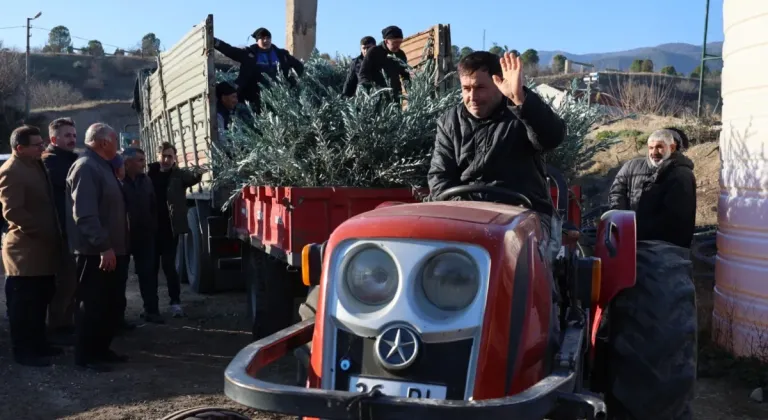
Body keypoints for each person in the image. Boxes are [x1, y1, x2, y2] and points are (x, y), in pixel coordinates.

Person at [427, 51, 566, 255]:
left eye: (480, 88)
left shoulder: (521, 114)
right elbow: (439, 179)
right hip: (465, 215)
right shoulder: (450, 122)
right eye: (466, 89)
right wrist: (469, 212)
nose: (472, 97)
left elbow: (552, 137)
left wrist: (521, 100)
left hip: (523, 214)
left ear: (498, 84)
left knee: (517, 255)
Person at [66, 122, 130, 372]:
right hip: (95, 253)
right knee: (92, 304)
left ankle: (102, 350)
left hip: (112, 250)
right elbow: (84, 214)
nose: (118, 146)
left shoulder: (102, 166)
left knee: (109, 304)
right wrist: (103, 246)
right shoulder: (86, 167)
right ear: (104, 142)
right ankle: (87, 356)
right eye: (115, 140)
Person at [0, 125, 63, 366]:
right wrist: (43, 231)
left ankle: (39, 344)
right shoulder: (11, 171)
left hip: (42, 250)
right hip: (25, 253)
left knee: (40, 301)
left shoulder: (35, 165)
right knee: (23, 306)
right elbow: (13, 211)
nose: (42, 147)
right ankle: (24, 352)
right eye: (37, 145)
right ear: (19, 148)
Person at [608, 128, 697, 248]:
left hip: (665, 248)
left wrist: (641, 232)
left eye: (659, 147)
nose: (654, 152)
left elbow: (676, 217)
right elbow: (617, 193)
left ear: (672, 148)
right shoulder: (631, 167)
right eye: (651, 147)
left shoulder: (682, 174)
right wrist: (623, 221)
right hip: (630, 239)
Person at [147, 142, 203, 318]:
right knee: (150, 269)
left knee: (169, 268)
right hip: (150, 231)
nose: (166, 159)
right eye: (163, 155)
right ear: (157, 156)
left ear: (174, 159)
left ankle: (175, 303)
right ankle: (151, 307)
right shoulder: (148, 174)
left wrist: (199, 171)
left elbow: (193, 177)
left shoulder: (178, 176)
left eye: (170, 156)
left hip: (169, 230)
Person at [41, 117, 80, 344]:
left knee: (72, 282)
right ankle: (58, 327)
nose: (72, 139)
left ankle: (67, 323)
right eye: (67, 135)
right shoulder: (51, 164)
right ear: (53, 139)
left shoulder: (69, 160)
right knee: (63, 284)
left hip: (71, 231)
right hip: (60, 232)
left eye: (74, 135)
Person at [213, 27, 305, 114]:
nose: (266, 41)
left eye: (268, 38)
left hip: (278, 97)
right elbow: (230, 50)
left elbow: (299, 67)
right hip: (254, 97)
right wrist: (215, 42)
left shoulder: (281, 54)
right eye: (262, 38)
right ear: (257, 41)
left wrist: (291, 82)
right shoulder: (249, 54)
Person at [122, 147, 163, 324]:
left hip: (145, 235)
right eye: (139, 160)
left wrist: (152, 227)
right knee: (119, 277)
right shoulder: (117, 180)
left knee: (148, 274)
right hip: (123, 237)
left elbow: (153, 205)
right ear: (127, 162)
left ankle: (152, 311)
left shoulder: (145, 180)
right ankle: (118, 317)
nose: (143, 163)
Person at [358, 26, 411, 101]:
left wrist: (410, 91)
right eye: (395, 43)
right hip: (377, 97)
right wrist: (370, 90)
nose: (398, 46)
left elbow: (405, 75)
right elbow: (363, 74)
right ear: (386, 41)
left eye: (400, 42)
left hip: (395, 96)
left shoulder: (400, 54)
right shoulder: (374, 52)